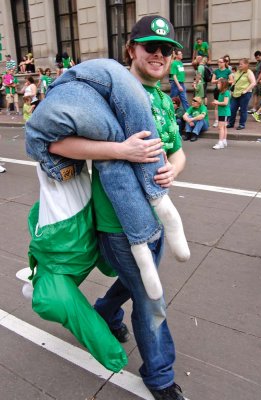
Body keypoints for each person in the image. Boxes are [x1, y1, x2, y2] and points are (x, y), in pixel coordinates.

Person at [26, 15, 188, 400]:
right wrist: (120, 150)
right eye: (151, 47)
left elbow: (177, 152)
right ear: (131, 49)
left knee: (137, 283)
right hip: (116, 223)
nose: (160, 55)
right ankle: (160, 375)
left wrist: (171, 172)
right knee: (152, 299)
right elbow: (54, 143)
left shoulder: (164, 100)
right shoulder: (107, 90)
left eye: (167, 50)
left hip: (154, 216)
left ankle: (107, 309)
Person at [227, 58, 256, 130]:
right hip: (235, 93)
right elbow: (234, 81)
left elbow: (253, 83)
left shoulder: (249, 72)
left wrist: (246, 90)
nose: (239, 65)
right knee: (232, 109)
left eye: (241, 64)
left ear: (246, 64)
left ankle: (241, 124)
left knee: (243, 110)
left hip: (245, 94)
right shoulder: (238, 72)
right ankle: (231, 123)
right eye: (239, 64)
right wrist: (231, 90)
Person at [211, 57, 233, 127]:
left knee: (226, 104)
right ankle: (216, 120)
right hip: (217, 90)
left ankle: (225, 120)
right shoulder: (216, 71)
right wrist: (218, 80)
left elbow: (232, 81)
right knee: (216, 105)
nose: (219, 63)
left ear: (224, 63)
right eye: (218, 62)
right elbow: (212, 81)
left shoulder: (228, 71)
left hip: (225, 90)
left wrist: (224, 80)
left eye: (221, 62)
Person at [211, 78, 231, 149]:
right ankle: (224, 140)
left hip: (224, 112)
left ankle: (220, 142)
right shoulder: (221, 92)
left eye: (219, 83)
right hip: (222, 112)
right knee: (224, 127)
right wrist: (216, 103)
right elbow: (221, 102)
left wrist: (217, 102)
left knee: (221, 127)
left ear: (223, 84)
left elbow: (225, 103)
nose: (217, 85)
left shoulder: (226, 92)